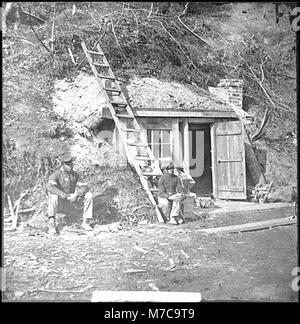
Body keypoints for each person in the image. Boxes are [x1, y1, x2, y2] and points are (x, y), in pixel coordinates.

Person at [47, 153, 93, 234]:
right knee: (53, 196)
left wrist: (76, 194)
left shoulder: (75, 175)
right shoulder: (57, 174)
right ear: (63, 165)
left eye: (71, 164)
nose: (70, 166)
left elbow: (85, 187)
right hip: (60, 202)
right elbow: (50, 187)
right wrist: (63, 195)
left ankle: (86, 222)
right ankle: (52, 224)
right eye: (68, 165)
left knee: (89, 195)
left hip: (72, 202)